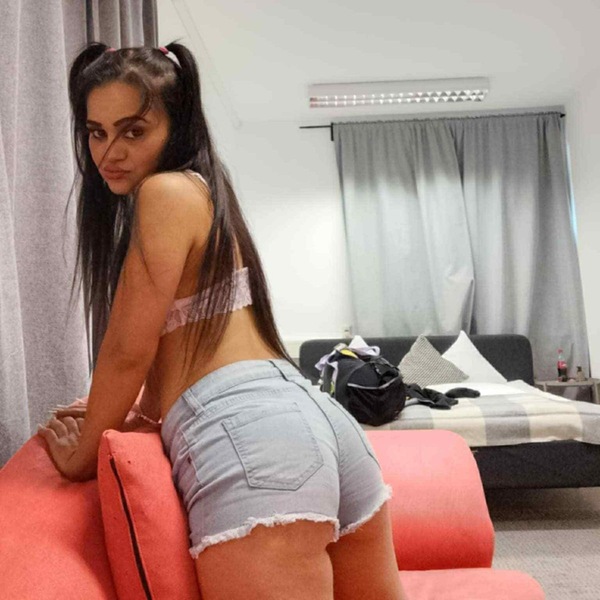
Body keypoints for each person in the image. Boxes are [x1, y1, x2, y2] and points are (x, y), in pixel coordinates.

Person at [37, 41, 407, 600]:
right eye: (96, 132)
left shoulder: (162, 192)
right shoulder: (205, 192)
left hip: (250, 435)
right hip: (314, 418)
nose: (109, 151)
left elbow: (127, 352)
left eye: (133, 131)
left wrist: (79, 458)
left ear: (177, 126)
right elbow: (178, 350)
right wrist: (136, 412)